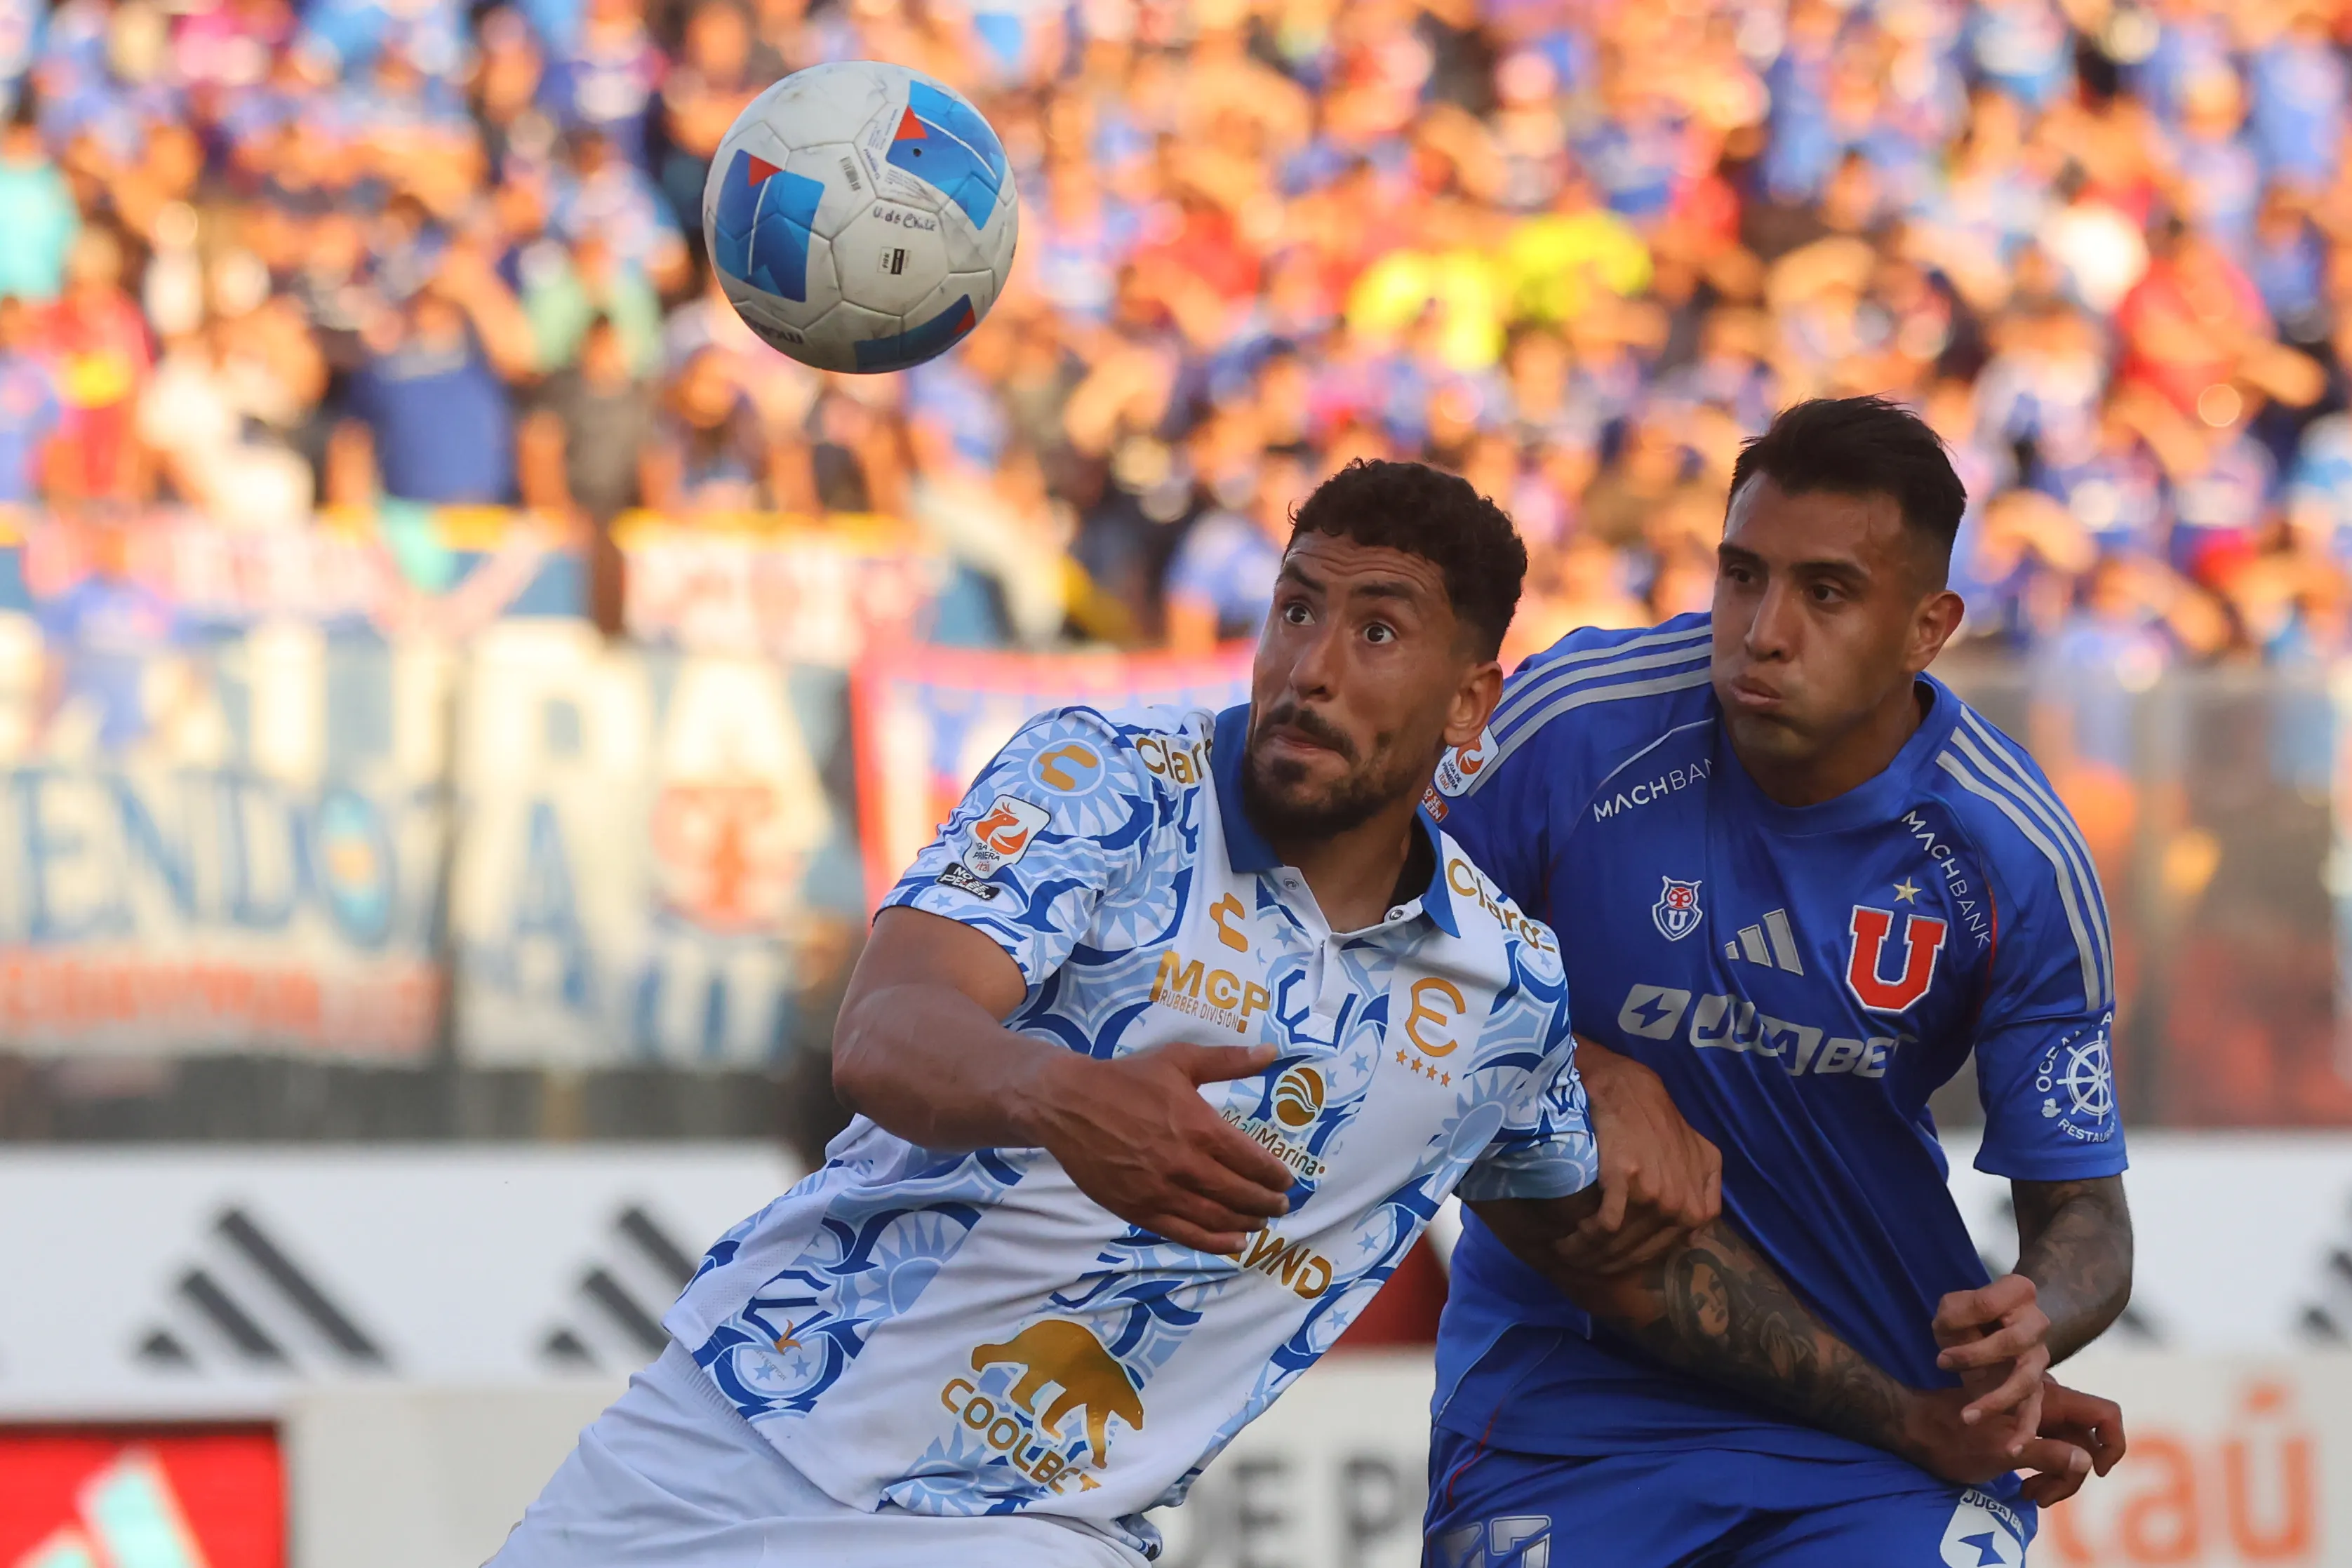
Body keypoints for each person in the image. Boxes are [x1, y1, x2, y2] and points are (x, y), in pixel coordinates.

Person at [490, 459, 2093, 1567]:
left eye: (1376, 628)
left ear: (1472, 704)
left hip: (1024, 1522)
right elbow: (889, 1025)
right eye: (1294, 609)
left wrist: (1910, 1412)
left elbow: (1635, 1266)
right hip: (726, 1429)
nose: (1310, 665)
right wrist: (1064, 1098)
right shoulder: (1099, 782)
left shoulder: (1500, 996)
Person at [1422, 396, 2134, 1567]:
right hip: (1564, 1414)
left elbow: (2089, 1216)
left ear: (1928, 626)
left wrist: (2033, 1315)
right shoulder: (1574, 725)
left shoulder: (2011, 854)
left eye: (1827, 592)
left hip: (1887, 1438)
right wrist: (1580, 1062)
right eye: (1742, 575)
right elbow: (1369, 936)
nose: (1761, 629)